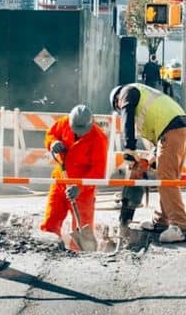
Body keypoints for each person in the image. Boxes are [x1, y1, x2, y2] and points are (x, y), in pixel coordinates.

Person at [110, 83, 186, 242]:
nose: (121, 107)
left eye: (119, 106)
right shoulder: (148, 104)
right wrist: (147, 161)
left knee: (166, 177)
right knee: (165, 175)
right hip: (176, 127)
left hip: (172, 128)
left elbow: (127, 115)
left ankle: (181, 226)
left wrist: (129, 148)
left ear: (117, 101)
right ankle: (161, 221)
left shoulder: (127, 91)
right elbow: (157, 145)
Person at [40, 105, 108, 244]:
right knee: (50, 221)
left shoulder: (98, 138)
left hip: (83, 191)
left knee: (82, 227)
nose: (79, 133)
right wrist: (53, 143)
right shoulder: (64, 122)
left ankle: (79, 257)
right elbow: (50, 134)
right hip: (60, 182)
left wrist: (79, 187)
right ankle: (49, 248)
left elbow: (98, 172)